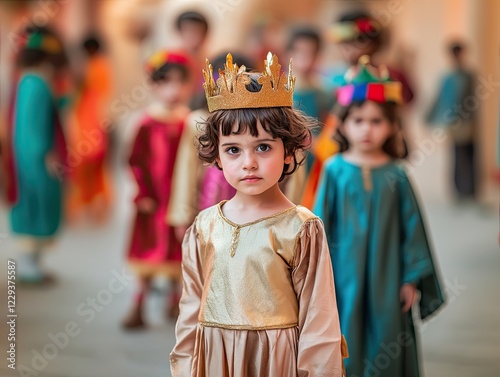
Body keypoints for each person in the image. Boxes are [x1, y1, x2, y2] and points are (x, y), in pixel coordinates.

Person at [170, 53, 346, 376]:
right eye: (233, 149)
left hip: (276, 361)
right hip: (216, 358)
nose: (248, 162)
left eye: (263, 147)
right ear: (217, 157)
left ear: (289, 150)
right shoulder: (204, 226)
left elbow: (319, 320)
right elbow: (190, 308)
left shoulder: (301, 229)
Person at [314, 57, 445, 377]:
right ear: (342, 124)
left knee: (387, 332)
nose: (367, 129)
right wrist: (317, 277)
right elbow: (317, 225)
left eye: (376, 121)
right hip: (343, 276)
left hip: (389, 275)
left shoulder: (396, 174)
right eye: (358, 120)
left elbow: (412, 229)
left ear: (391, 125)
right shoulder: (334, 171)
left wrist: (410, 278)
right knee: (345, 334)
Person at [123, 50, 192, 329]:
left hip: (179, 200)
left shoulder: (189, 121)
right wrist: (142, 193)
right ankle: (138, 303)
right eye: (166, 82)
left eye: (179, 82)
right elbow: (135, 160)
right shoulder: (146, 123)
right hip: (153, 200)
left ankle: (174, 301)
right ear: (154, 85)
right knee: (149, 252)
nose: (173, 90)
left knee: (178, 251)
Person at [167, 52, 256, 243]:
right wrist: (183, 213)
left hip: (246, 191)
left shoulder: (253, 122)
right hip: (208, 195)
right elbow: (187, 168)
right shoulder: (198, 120)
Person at [7, 26, 68, 284]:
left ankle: (34, 264)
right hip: (36, 158)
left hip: (31, 156)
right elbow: (31, 127)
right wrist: (45, 154)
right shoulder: (36, 82)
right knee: (36, 203)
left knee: (37, 204)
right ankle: (29, 266)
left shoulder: (28, 80)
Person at [66, 35, 113, 223]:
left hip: (89, 123)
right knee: (95, 167)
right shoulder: (102, 66)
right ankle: (94, 206)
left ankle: (89, 206)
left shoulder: (92, 67)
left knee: (87, 166)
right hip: (94, 121)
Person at [426, 41, 477, 201]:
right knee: (458, 154)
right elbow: (440, 99)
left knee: (469, 154)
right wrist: (430, 117)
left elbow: (473, 100)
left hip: (467, 121)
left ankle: (469, 189)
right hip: (455, 122)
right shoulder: (448, 77)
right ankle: (459, 189)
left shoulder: (468, 75)